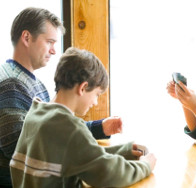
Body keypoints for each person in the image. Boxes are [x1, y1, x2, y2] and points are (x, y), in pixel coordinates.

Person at [0, 7, 121, 187]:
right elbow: (19, 148)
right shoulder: (12, 84)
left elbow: (50, 131)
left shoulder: (29, 81)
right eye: (49, 42)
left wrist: (98, 128)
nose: (54, 51)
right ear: (26, 38)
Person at [9, 47, 157, 187]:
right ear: (83, 88)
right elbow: (107, 172)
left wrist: (126, 151)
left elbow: (82, 156)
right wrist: (145, 166)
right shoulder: (69, 128)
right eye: (97, 95)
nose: (95, 102)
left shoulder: (36, 114)